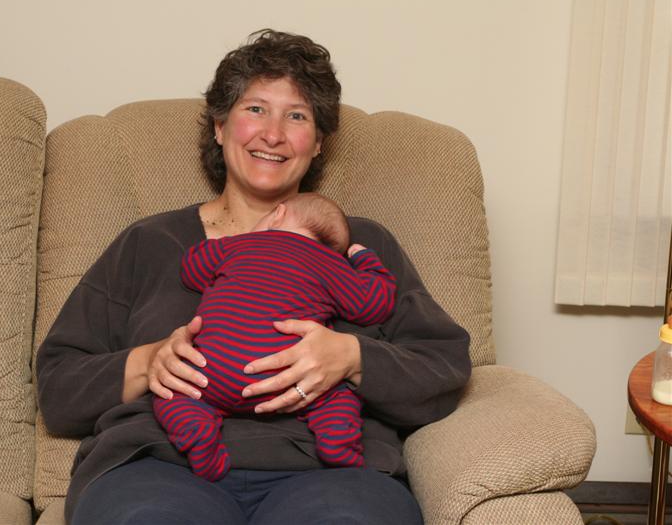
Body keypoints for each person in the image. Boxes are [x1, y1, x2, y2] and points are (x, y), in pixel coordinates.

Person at [37, 29, 471, 525]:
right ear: (220, 127)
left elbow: (444, 367)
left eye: (297, 116)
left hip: (329, 473)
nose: (273, 134)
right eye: (256, 109)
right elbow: (58, 388)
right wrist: (146, 362)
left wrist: (353, 357)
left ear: (318, 143)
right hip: (160, 462)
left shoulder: (359, 247)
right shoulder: (150, 243)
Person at [154, 192, 397, 481]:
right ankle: (337, 441)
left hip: (211, 371)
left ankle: (196, 433)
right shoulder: (333, 266)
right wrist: (366, 262)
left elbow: (192, 268)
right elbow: (372, 305)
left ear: (278, 214)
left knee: (173, 391)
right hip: (288, 379)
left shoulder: (238, 245)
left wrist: (226, 246)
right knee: (336, 395)